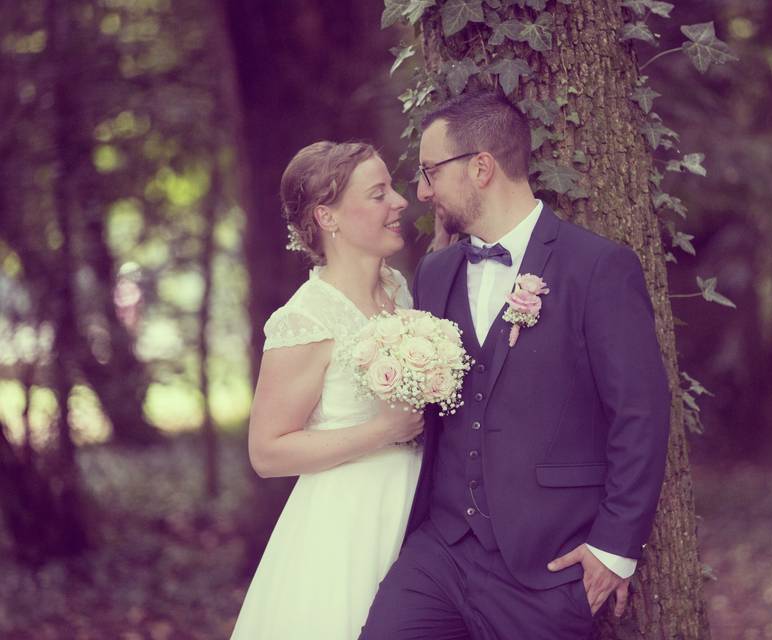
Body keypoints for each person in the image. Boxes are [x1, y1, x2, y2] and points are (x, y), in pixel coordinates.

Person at [361, 91, 672, 640]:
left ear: (482, 167)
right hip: (441, 551)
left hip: (548, 567)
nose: (423, 190)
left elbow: (640, 413)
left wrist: (615, 549)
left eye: (432, 171)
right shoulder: (436, 272)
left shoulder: (597, 267)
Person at [230, 141, 424, 640]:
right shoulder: (305, 318)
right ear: (328, 217)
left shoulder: (399, 289)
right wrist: (381, 431)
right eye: (379, 194)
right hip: (348, 524)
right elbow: (268, 452)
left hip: (420, 510)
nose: (399, 201)